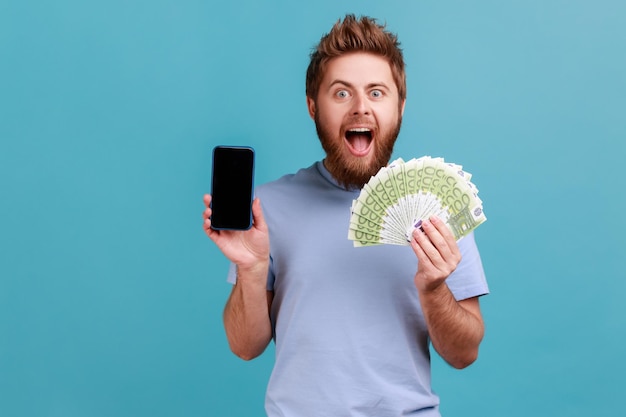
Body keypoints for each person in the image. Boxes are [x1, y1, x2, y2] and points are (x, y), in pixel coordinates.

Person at [202, 14, 488, 417]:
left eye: (376, 93)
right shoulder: (267, 210)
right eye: (341, 94)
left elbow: (464, 354)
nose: (360, 109)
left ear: (400, 106)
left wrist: (434, 288)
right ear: (312, 106)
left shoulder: (439, 209)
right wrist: (250, 268)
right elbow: (244, 347)